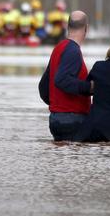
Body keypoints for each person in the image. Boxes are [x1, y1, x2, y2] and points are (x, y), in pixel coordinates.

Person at [38, 10, 94, 141]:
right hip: (72, 120)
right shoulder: (73, 51)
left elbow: (43, 87)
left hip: (56, 119)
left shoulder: (59, 48)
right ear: (86, 28)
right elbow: (62, 80)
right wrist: (90, 87)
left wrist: (56, 105)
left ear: (68, 26)